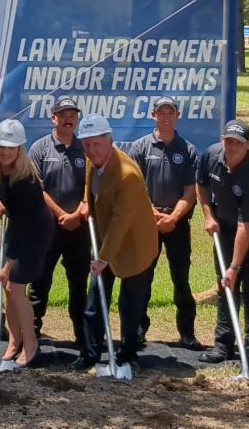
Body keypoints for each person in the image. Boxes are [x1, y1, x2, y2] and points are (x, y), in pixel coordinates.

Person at [195, 119, 249, 376]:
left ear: (248, 145)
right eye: (228, 141)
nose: (231, 147)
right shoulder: (211, 155)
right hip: (225, 225)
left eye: (238, 143)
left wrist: (234, 266)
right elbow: (202, 185)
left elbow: (247, 227)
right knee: (225, 285)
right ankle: (223, 344)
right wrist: (209, 216)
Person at [78, 114, 158, 368]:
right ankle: (90, 355)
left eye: (96, 144)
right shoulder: (93, 161)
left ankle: (127, 356)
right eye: (87, 145)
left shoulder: (128, 175)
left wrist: (103, 258)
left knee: (130, 306)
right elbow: (90, 187)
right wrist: (86, 203)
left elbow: (120, 222)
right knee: (94, 301)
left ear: (110, 141)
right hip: (106, 241)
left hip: (136, 245)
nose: (91, 150)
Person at [125, 96, 201, 350]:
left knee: (181, 279)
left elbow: (191, 192)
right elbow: (134, 189)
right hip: (147, 224)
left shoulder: (188, 149)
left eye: (170, 113)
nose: (166, 117)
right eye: (161, 112)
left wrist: (173, 217)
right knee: (142, 278)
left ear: (177, 116)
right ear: (153, 115)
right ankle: (137, 329)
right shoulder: (139, 147)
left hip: (177, 224)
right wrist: (155, 216)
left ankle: (187, 332)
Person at [27, 98, 89, 363]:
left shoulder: (86, 147)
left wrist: (80, 211)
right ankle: (32, 333)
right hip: (47, 228)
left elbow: (92, 183)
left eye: (72, 115)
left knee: (79, 284)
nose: (68, 119)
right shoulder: (39, 148)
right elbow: (37, 189)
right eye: (62, 115)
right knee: (39, 283)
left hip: (79, 228)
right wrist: (62, 214)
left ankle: (82, 335)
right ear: (53, 118)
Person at [0, 118, 52, 368]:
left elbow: (25, 226)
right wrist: (3, 202)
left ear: (20, 149)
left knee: (15, 288)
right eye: (1, 146)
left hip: (34, 236)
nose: (5, 151)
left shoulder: (25, 180)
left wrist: (8, 264)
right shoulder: (1, 169)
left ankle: (31, 345)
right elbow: (8, 201)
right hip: (19, 230)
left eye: (11, 147)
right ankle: (14, 342)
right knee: (8, 289)